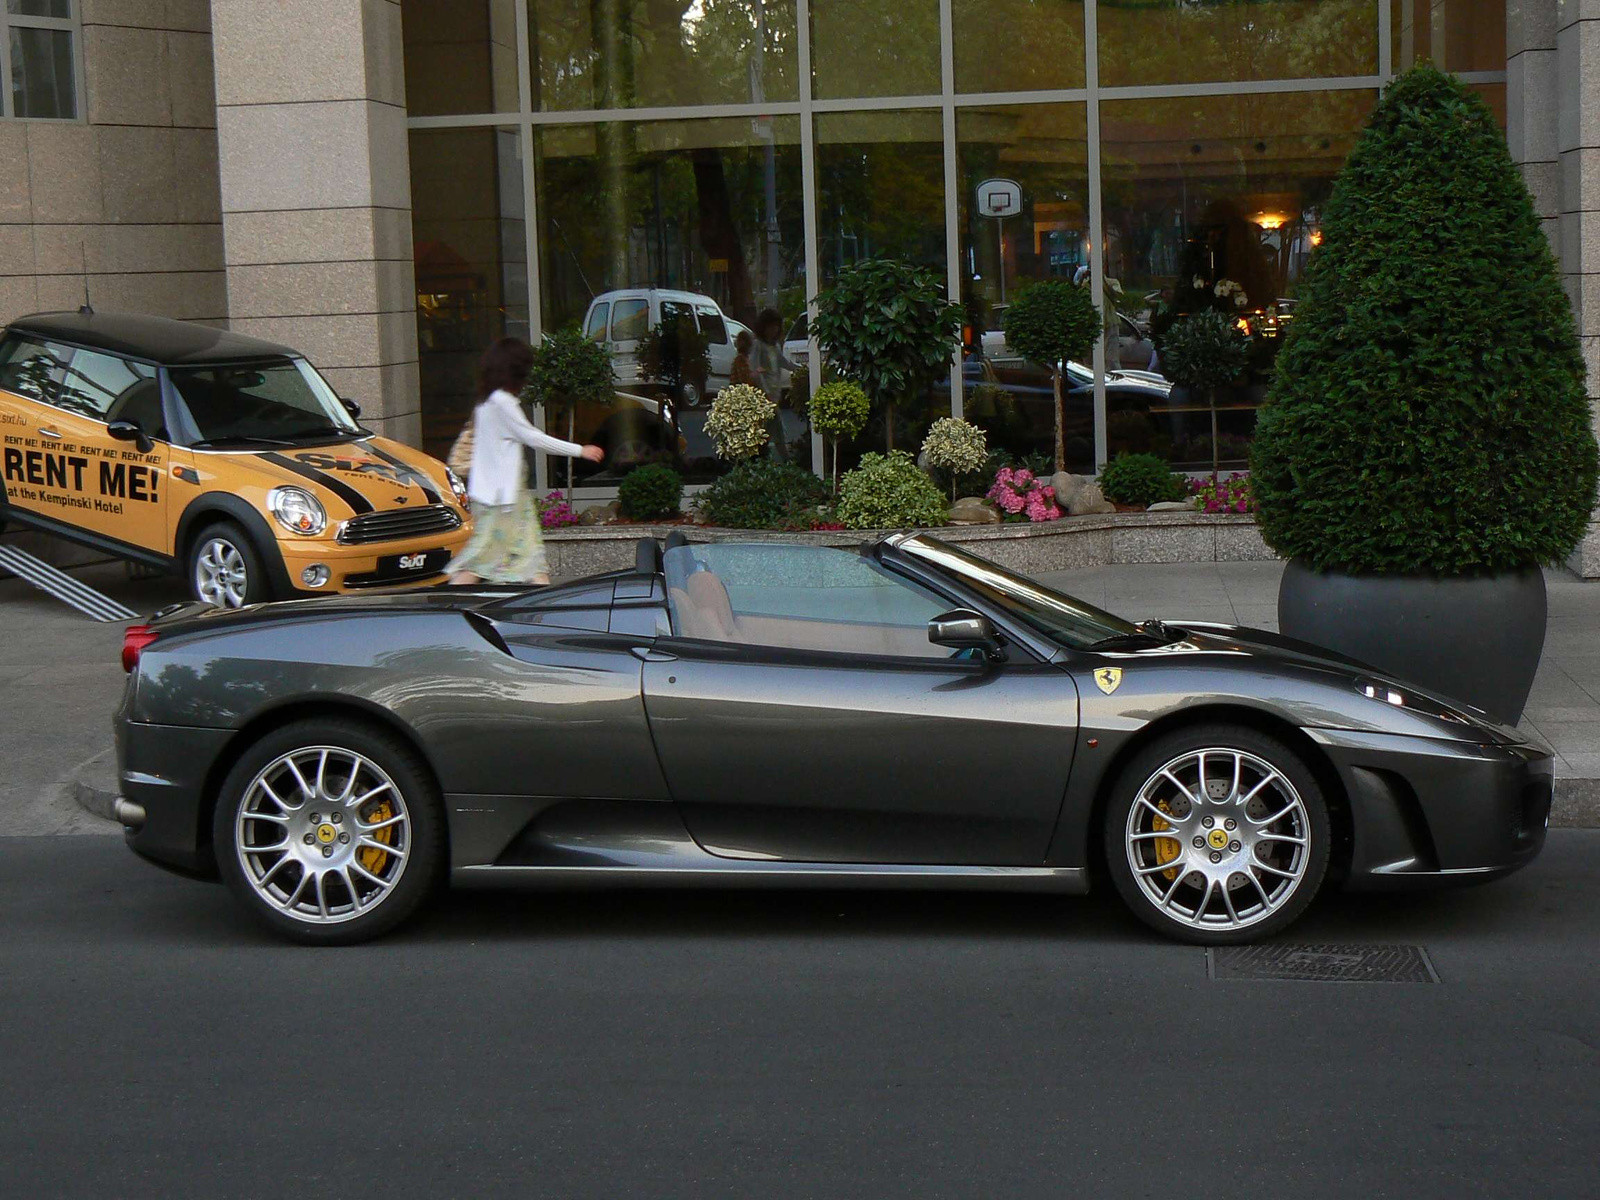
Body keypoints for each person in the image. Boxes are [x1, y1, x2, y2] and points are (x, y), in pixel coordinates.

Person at [447, 337, 603, 587]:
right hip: (505, 501)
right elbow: (533, 438)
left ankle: (453, 606)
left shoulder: (486, 402)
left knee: (500, 562)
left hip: (495, 499)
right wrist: (579, 450)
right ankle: (450, 609)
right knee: (509, 562)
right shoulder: (502, 403)